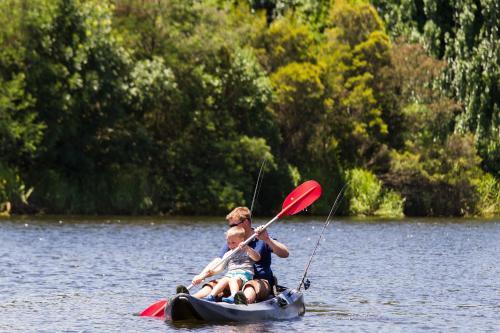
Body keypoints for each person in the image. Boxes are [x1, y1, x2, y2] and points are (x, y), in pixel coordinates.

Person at [189, 206, 289, 304]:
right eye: (230, 226)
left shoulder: (262, 238)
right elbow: (219, 261)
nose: (232, 229)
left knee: (250, 286)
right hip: (234, 279)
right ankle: (190, 299)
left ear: (245, 222)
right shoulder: (232, 241)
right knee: (215, 284)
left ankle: (242, 302)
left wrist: (267, 239)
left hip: (260, 281)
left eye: (233, 225)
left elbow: (285, 253)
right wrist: (201, 275)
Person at [193, 226, 261, 303]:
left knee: (233, 280)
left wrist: (247, 248)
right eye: (228, 243)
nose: (231, 245)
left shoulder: (247, 250)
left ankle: (234, 296)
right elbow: (221, 268)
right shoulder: (228, 254)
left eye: (233, 242)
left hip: (244, 275)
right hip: (230, 274)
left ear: (242, 240)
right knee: (223, 280)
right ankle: (211, 296)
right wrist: (211, 272)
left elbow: (257, 258)